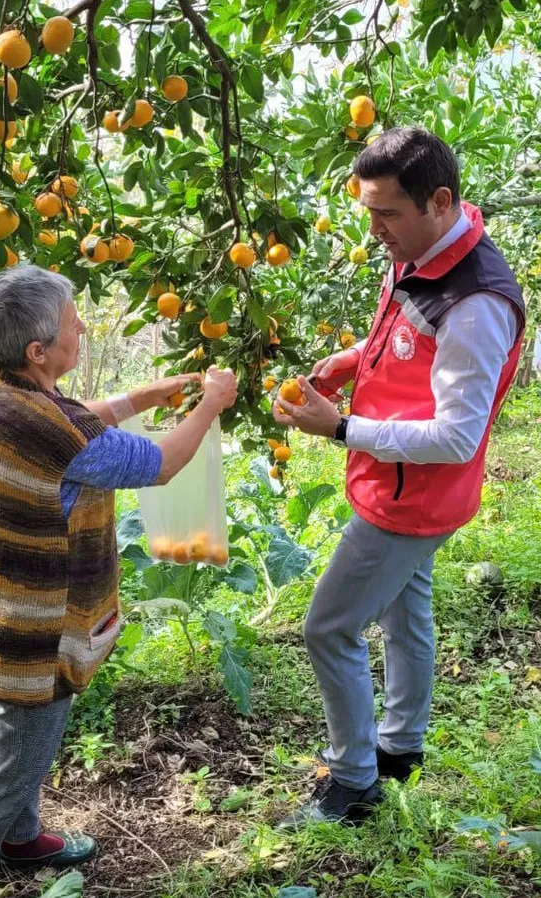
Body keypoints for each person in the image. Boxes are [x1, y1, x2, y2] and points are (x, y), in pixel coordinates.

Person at [0, 264, 237, 897]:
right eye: (73, 322)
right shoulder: (51, 428)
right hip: (37, 626)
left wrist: (140, 398)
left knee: (26, 740)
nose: (82, 327)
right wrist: (212, 402)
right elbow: (160, 464)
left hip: (3, 599)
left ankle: (20, 840)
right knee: (15, 760)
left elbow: (72, 423)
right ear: (38, 350)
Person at [273, 127, 525, 829]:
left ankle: (353, 784)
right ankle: (400, 746)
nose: (374, 231)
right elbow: (402, 333)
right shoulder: (426, 250)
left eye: (386, 214)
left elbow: (456, 435)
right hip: (409, 488)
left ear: (439, 201)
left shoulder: (477, 306)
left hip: (411, 495)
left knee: (329, 626)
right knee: (405, 611)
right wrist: (350, 363)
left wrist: (341, 428)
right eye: (368, 213)